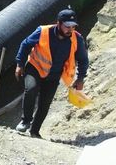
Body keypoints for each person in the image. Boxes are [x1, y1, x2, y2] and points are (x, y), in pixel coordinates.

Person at [14, 8, 88, 138]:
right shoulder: (43, 31)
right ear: (59, 23)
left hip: (54, 75)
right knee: (30, 89)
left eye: (73, 26)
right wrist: (19, 64)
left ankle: (35, 131)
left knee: (45, 103)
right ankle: (25, 121)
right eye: (67, 26)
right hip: (35, 67)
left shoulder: (77, 39)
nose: (70, 29)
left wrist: (80, 78)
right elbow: (25, 45)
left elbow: (83, 59)